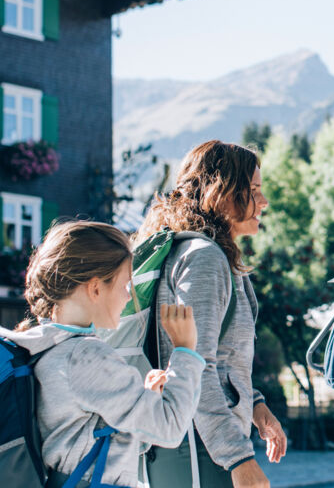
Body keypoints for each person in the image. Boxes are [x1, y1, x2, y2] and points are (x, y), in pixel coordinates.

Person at [1, 221, 205, 488]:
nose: (128, 297)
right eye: (124, 285)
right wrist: (185, 351)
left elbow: (100, 438)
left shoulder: (46, 349)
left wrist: (145, 398)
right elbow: (169, 428)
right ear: (96, 288)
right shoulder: (86, 356)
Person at [137, 140, 287, 488]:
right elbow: (193, 364)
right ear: (219, 193)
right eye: (252, 190)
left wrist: (255, 404)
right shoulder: (204, 259)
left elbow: (218, 358)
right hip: (200, 447)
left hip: (198, 439)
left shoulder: (205, 253)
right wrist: (238, 458)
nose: (263, 202)